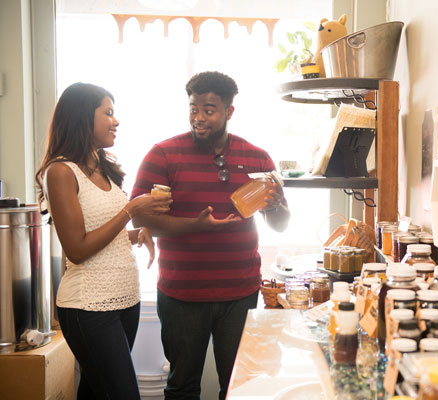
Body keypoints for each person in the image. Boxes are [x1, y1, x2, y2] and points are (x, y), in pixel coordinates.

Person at [130, 71, 290, 399]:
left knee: (237, 386)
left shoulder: (256, 157)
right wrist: (195, 226)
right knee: (182, 385)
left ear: (229, 112)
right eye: (193, 109)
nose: (199, 118)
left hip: (240, 292)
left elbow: (280, 224)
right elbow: (139, 218)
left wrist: (276, 206)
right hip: (181, 295)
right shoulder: (163, 154)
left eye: (209, 109)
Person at [35, 82, 172, 400]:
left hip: (126, 299)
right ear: (84, 117)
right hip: (89, 307)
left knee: (96, 393)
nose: (116, 121)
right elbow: (78, 249)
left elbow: (102, 234)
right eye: (108, 112)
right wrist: (130, 211)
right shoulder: (60, 172)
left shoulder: (104, 168)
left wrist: (136, 234)